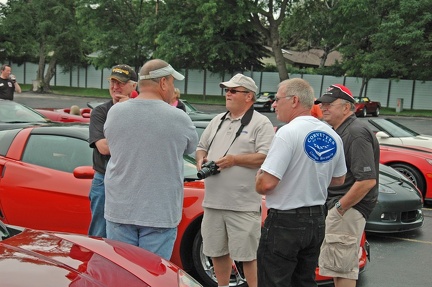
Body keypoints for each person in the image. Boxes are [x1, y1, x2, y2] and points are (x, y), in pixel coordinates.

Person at [255, 78, 347, 287]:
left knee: (273, 280)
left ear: (294, 100)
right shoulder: (332, 135)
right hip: (316, 219)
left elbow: (266, 184)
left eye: (277, 99)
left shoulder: (288, 132)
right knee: (304, 280)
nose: (274, 104)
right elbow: (339, 179)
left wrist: (259, 177)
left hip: (286, 221)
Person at [103, 59, 198, 260]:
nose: (173, 88)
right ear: (163, 83)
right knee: (152, 274)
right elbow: (190, 148)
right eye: (172, 83)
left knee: (123, 273)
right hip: (159, 213)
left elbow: (110, 143)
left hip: (120, 208)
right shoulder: (179, 117)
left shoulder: (115, 112)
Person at [196, 73, 275, 287]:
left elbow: (266, 156)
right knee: (216, 251)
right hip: (213, 202)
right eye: (227, 91)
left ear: (249, 96)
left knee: (248, 256)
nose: (227, 94)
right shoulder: (217, 120)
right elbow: (201, 147)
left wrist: (234, 160)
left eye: (233, 91)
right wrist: (201, 159)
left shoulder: (261, 123)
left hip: (242, 205)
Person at [315, 84, 379, 287]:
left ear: (346, 107)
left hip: (348, 209)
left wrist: (339, 209)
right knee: (338, 266)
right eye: (322, 104)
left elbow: (367, 180)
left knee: (342, 268)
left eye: (329, 104)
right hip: (344, 208)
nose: (324, 108)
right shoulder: (342, 130)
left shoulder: (355, 133)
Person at [88, 64, 137, 237]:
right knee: (99, 233)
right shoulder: (100, 112)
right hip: (104, 179)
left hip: (132, 180)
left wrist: (129, 110)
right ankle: (96, 264)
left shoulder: (140, 112)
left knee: (126, 237)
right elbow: (104, 148)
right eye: (113, 82)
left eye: (121, 83)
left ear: (133, 86)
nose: (116, 87)